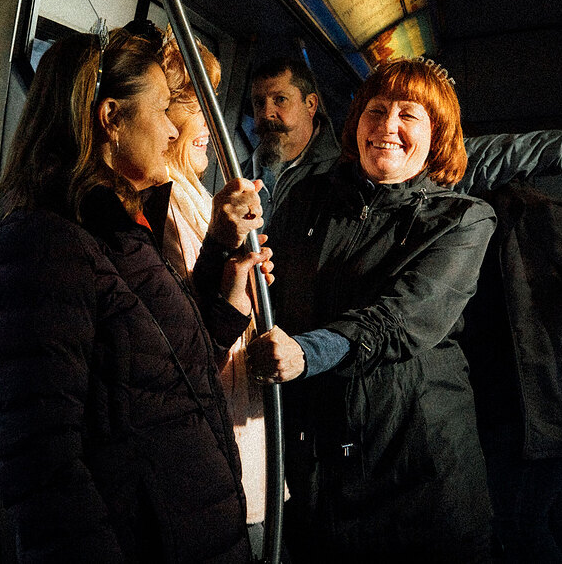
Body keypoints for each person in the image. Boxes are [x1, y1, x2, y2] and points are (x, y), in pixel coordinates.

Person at [0, 23, 270, 562]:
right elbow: (40, 464)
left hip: (187, 521)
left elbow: (169, 359)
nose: (173, 132)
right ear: (111, 119)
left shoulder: (121, 223)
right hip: (148, 537)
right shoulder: (38, 246)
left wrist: (225, 283)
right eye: (160, 111)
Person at [205, 58, 497, 561]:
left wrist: (307, 352)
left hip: (414, 464)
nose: (387, 126)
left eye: (409, 115)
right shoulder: (309, 200)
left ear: (438, 136)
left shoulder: (462, 220)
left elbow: (402, 318)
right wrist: (225, 241)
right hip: (323, 459)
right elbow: (262, 285)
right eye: (376, 110)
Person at [157, 33, 270, 559]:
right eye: (197, 104)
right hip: (212, 431)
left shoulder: (197, 194)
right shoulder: (163, 205)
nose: (212, 121)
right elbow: (183, 338)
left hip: (239, 421)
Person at [244, 57, 562, 219]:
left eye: (280, 99)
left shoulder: (353, 163)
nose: (267, 112)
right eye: (259, 102)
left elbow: (496, 155)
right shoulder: (240, 168)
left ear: (311, 104)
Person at [462, 181, 562, 563]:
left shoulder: (538, 214)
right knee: (550, 513)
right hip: (510, 401)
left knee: (522, 522)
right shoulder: (462, 217)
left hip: (538, 403)